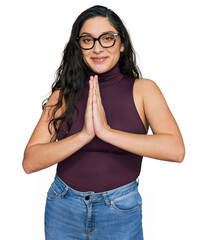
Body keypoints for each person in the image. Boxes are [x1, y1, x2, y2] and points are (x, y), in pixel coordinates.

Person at [22, 5, 185, 240]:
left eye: (107, 38)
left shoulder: (144, 90)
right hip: (63, 207)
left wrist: (106, 133)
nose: (97, 48)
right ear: (79, 47)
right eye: (88, 40)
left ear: (121, 44)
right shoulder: (63, 95)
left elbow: (175, 150)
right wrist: (84, 135)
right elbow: (30, 162)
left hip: (119, 209)